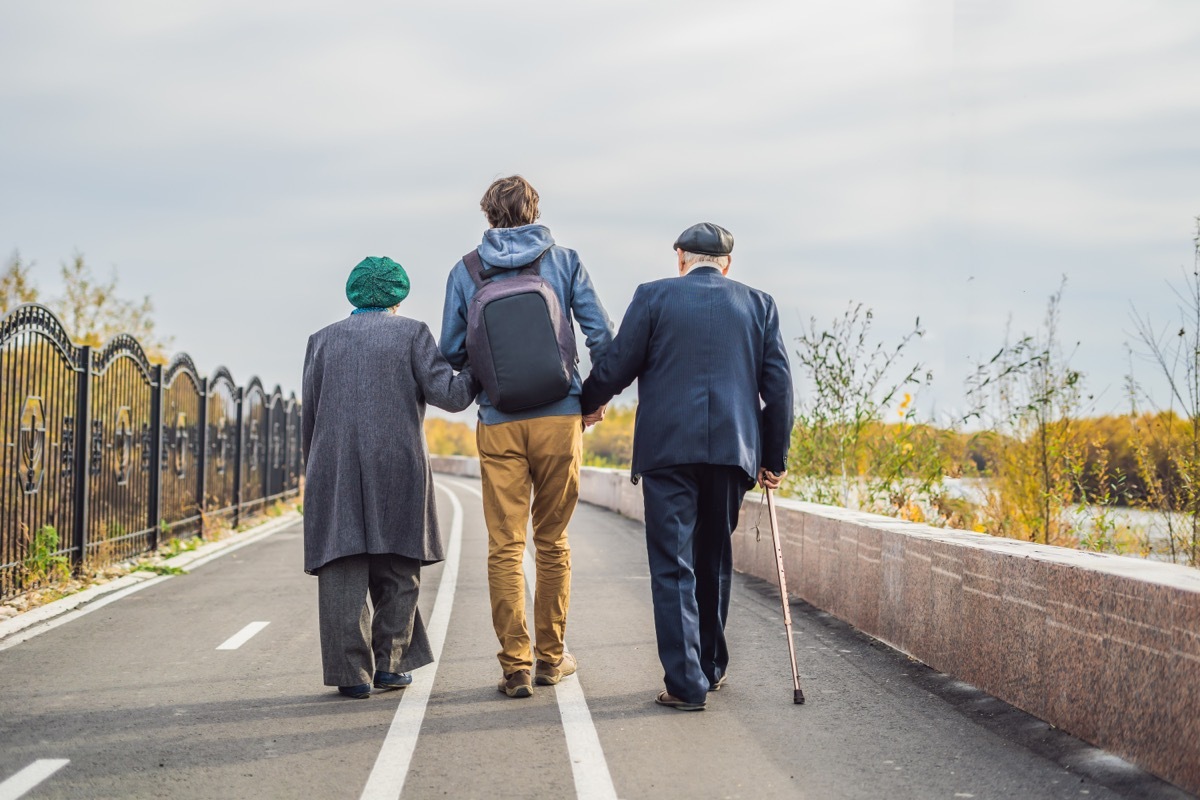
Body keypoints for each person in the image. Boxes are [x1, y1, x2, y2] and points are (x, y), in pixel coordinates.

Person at [581, 223, 793, 711]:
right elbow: (778, 389)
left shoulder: (654, 297)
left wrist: (585, 407)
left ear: (680, 258)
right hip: (731, 454)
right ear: (726, 263)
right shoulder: (759, 304)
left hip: (667, 451)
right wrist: (773, 457)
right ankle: (711, 668)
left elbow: (615, 367)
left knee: (672, 566)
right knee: (713, 559)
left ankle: (685, 683)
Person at [440, 176, 614, 698]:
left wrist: (490, 385)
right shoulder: (564, 261)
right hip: (560, 417)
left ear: (489, 215)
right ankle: (551, 658)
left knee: (504, 546)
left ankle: (515, 665)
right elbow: (601, 335)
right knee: (552, 542)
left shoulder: (467, 270)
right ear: (534, 209)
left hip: (500, 421)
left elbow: (452, 351)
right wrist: (593, 400)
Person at [302, 256, 477, 699]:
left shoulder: (320, 341)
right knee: (399, 563)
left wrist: (316, 469)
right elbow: (452, 396)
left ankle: (350, 675)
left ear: (353, 293)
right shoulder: (412, 333)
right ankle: (391, 665)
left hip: (333, 465)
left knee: (341, 564)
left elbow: (310, 414)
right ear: (398, 298)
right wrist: (478, 364)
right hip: (398, 464)